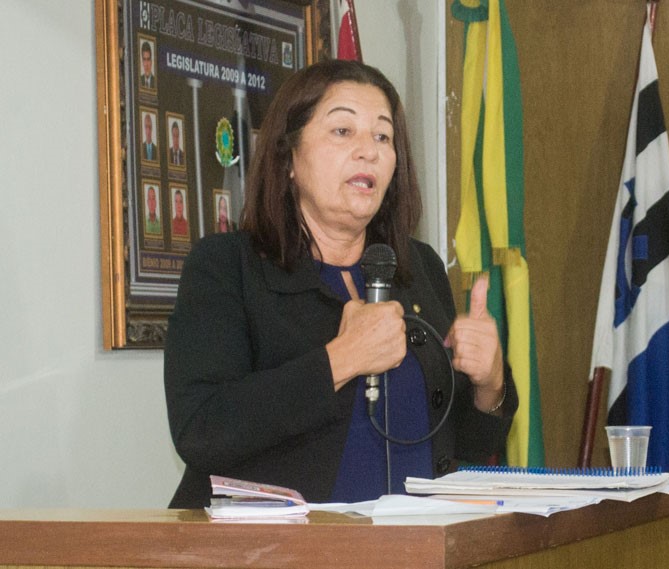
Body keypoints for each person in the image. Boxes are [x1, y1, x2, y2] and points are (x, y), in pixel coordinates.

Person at [164, 59, 517, 508]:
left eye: (383, 136)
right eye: (343, 131)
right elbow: (201, 429)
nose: (368, 150)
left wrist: (490, 383)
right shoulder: (226, 267)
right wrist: (340, 359)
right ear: (289, 156)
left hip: (414, 546)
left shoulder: (418, 267)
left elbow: (459, 449)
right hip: (276, 553)